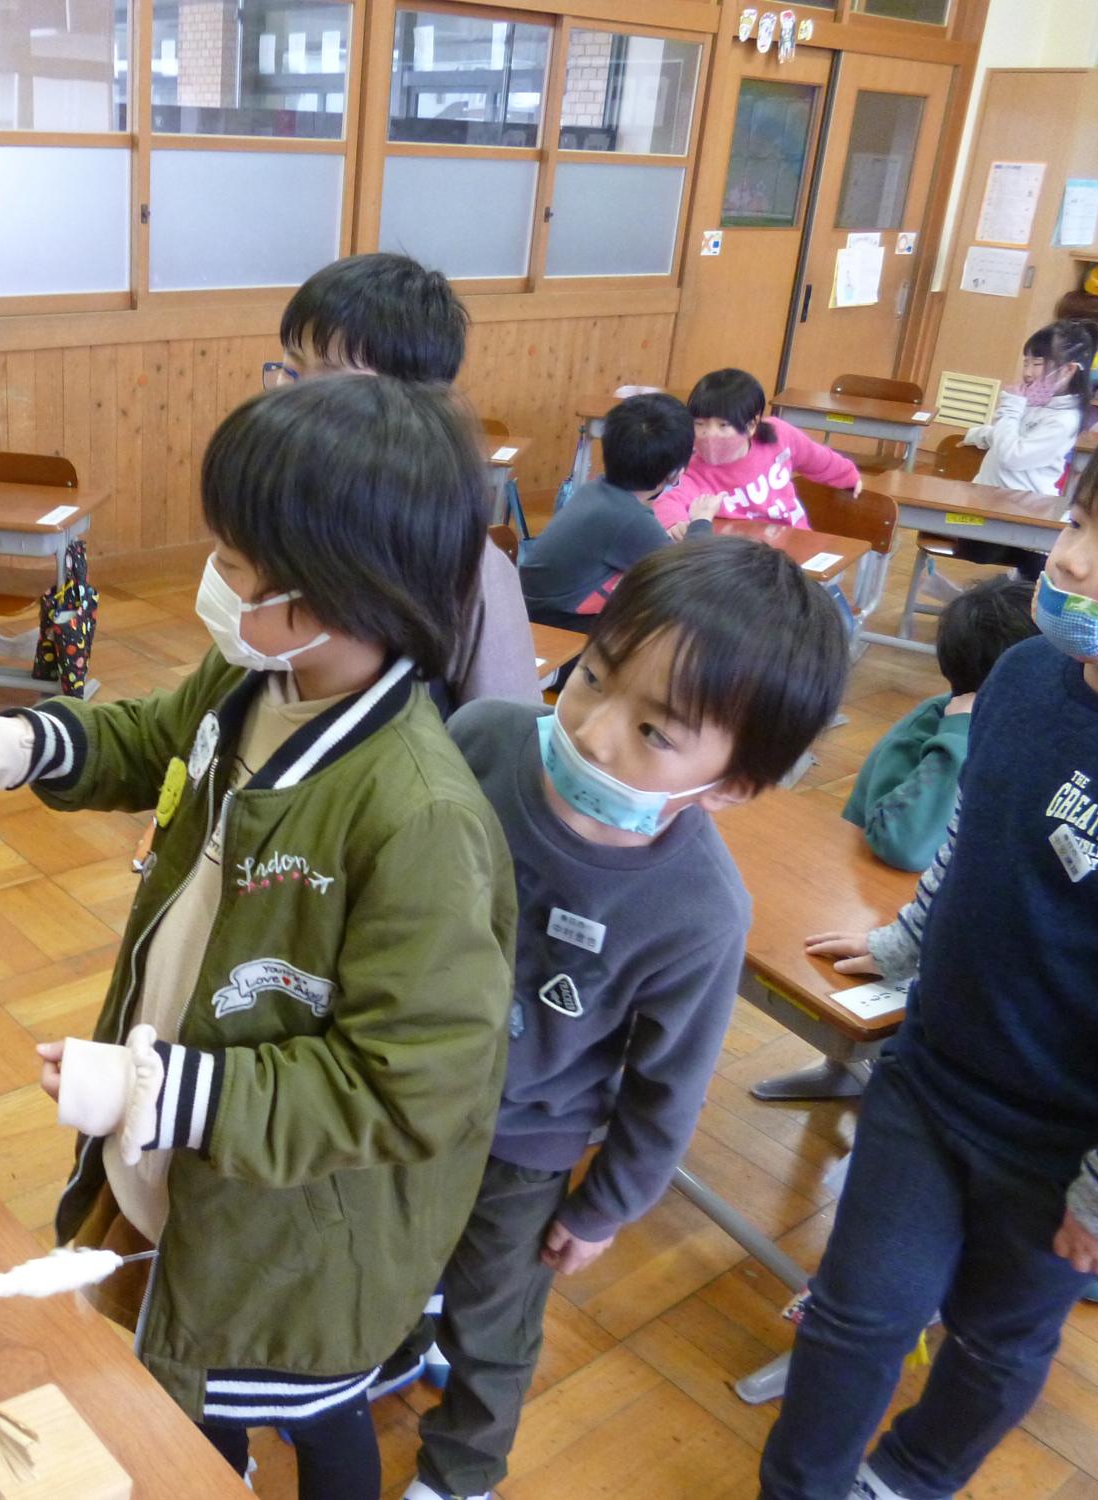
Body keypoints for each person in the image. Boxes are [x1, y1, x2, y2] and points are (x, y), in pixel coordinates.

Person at [0, 376, 517, 1500]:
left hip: (293, 1230)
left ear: (345, 590)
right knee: (183, 1392)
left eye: (236, 563)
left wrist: (164, 1092)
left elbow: (405, 1088)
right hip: (186, 1157)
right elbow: (149, 740)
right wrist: (20, 745)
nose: (212, 579)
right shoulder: (256, 673)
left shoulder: (418, 815)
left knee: (284, 1410)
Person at [762, 396, 1098, 1500]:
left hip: (1061, 1146)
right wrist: (903, 944)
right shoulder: (1019, 678)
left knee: (991, 1341)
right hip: (928, 1082)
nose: (1066, 558)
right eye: (1075, 521)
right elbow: (973, 844)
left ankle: (910, 1475)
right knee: (852, 1312)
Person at [403, 536, 851, 1500]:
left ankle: (464, 1468)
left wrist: (607, 1205)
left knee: (495, 1319)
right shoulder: (485, 736)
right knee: (392, 1241)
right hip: (403, 1082)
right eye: (593, 677)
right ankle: (400, 1340)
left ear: (731, 784)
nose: (596, 731)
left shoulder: (699, 909)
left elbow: (669, 1084)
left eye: (657, 731)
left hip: (527, 1141)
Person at [269, 252, 540, 708]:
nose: (292, 397)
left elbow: (507, 735)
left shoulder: (462, 560)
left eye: (331, 381)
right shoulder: (275, 509)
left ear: (413, 407)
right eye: (290, 367)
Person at [841, 577, 1037, 871]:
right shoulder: (925, 732)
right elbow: (904, 846)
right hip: (880, 888)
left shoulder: (1037, 724)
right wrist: (962, 732)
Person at [517, 391, 711, 630]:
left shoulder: (597, 490)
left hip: (532, 612)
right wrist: (701, 523)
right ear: (675, 473)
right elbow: (691, 578)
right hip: (554, 627)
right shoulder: (630, 519)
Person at [948, 318, 1098, 582]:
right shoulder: (1035, 400)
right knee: (971, 545)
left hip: (1025, 514)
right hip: (989, 504)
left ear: (1067, 370)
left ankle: (1015, 596)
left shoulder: (1064, 419)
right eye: (1026, 362)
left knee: (1033, 573)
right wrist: (979, 435)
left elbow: (1013, 456)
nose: (1028, 372)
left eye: (1038, 363)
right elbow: (1007, 435)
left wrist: (1011, 407)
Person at [655, 368, 862, 534]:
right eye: (699, 424)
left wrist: (848, 476)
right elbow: (668, 500)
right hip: (743, 561)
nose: (709, 435)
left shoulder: (780, 436)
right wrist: (673, 523)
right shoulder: (693, 469)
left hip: (795, 540)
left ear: (751, 425)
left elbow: (818, 459)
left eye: (723, 426)